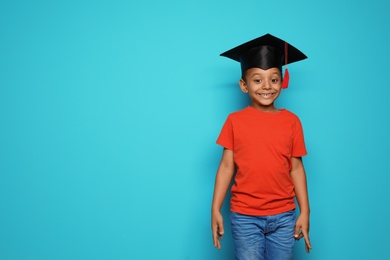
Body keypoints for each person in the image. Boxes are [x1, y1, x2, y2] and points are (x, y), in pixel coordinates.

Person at [211, 33, 312, 260]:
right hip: (245, 216)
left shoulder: (292, 121)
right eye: (257, 80)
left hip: (284, 216)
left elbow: (296, 168)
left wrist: (305, 211)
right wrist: (215, 208)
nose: (266, 86)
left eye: (274, 79)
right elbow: (227, 167)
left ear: (282, 82)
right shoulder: (234, 121)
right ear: (243, 85)